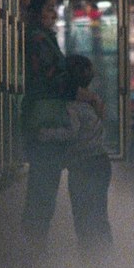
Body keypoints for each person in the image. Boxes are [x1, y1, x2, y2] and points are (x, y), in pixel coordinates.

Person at [38, 54, 112, 255]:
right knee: (99, 213)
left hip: (83, 165)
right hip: (101, 162)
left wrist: (45, 134)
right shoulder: (94, 103)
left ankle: (90, 259)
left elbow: (71, 132)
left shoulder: (71, 106)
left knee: (82, 214)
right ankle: (106, 258)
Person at [20, 0, 68, 240]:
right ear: (37, 11)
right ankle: (33, 247)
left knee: (43, 189)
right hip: (45, 121)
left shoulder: (42, 37)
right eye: (49, 8)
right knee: (42, 191)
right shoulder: (38, 39)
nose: (54, 14)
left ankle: (34, 244)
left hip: (45, 119)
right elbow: (51, 78)